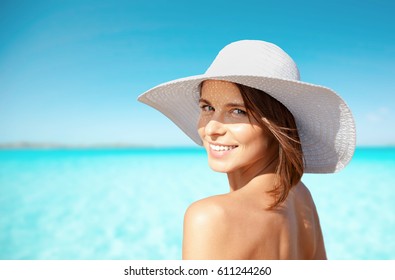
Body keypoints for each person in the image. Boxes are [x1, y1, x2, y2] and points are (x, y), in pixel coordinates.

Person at [138, 40, 356, 259]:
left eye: (238, 111)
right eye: (207, 108)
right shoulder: (300, 195)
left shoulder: (211, 217)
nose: (211, 128)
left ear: (275, 124)